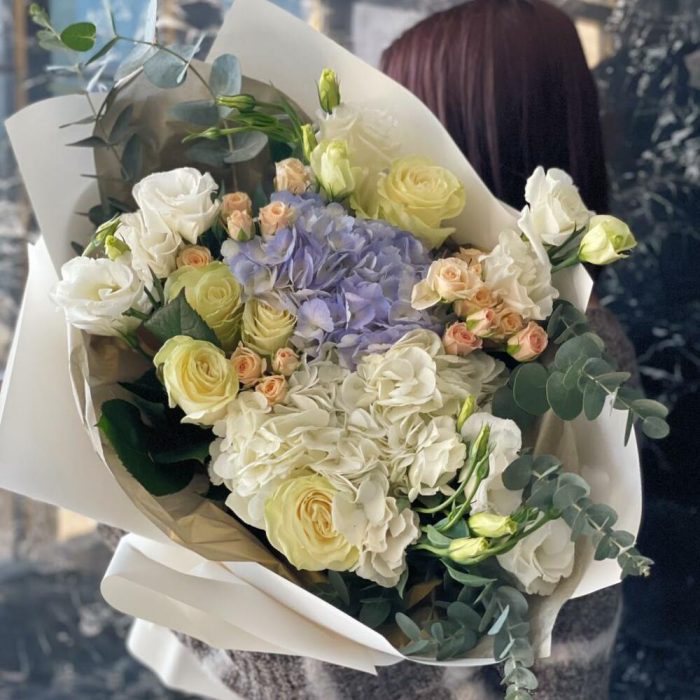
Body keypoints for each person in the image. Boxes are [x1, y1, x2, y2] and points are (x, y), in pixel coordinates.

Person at [104, 2, 637, 698]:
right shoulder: (442, 304)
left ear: (457, 135)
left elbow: (520, 645)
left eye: (406, 112)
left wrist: (195, 590)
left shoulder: (576, 361)